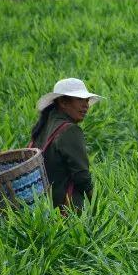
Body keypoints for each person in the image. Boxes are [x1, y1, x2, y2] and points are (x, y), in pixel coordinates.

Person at [29, 78, 102, 212]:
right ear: (63, 102)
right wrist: (98, 207)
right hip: (67, 210)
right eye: (80, 99)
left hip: (42, 209)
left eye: (86, 100)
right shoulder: (69, 130)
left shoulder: (43, 127)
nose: (86, 105)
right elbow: (82, 176)